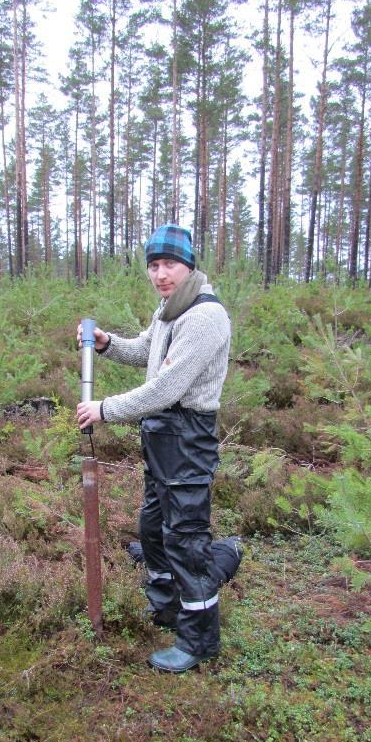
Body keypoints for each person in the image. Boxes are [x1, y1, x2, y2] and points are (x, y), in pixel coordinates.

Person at [76, 223, 233, 673]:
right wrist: (107, 345)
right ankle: (166, 606)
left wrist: (104, 409)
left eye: (170, 264)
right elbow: (145, 350)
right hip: (161, 438)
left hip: (186, 436)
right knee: (154, 528)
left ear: (189, 266)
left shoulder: (204, 316)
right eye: (154, 265)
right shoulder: (169, 308)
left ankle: (198, 640)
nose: (161, 274)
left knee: (185, 540)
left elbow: (166, 387)